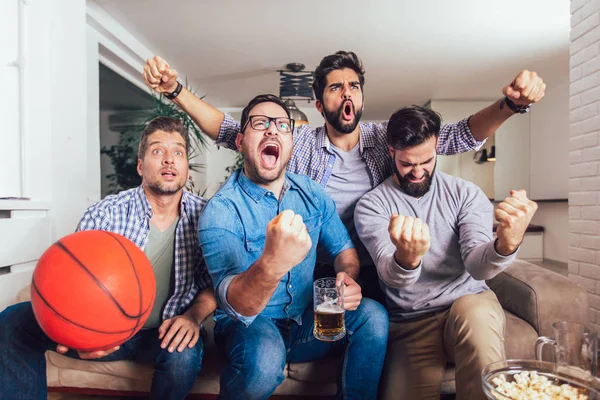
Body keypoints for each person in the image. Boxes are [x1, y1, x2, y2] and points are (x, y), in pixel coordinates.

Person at [143, 51, 545, 301]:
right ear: (320, 103)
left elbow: (455, 135)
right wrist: (176, 89)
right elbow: (233, 131)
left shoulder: (387, 137)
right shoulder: (298, 142)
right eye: (336, 88)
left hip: (385, 266)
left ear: (363, 98)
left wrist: (510, 105)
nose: (347, 93)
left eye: (354, 85)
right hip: (316, 267)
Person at [0, 117, 216, 400]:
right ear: (140, 166)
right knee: (12, 322)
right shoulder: (105, 213)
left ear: (186, 167)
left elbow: (217, 283)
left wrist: (193, 317)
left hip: (164, 332)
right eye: (157, 151)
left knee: (184, 352)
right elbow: (73, 283)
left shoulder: (209, 218)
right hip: (104, 329)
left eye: (178, 152)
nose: (169, 160)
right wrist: (77, 333)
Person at [198, 94, 388, 400]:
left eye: (282, 126)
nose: (272, 130)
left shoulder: (312, 193)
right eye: (260, 123)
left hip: (305, 323)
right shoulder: (220, 211)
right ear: (240, 141)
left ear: (291, 142)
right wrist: (272, 262)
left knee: (373, 316)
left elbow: (344, 252)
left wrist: (348, 277)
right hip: (248, 326)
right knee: (264, 359)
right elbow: (239, 306)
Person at [354, 105, 538, 400]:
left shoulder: (466, 194)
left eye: (426, 161)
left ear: (438, 145)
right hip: (411, 320)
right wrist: (408, 258)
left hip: (467, 303)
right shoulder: (372, 205)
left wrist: (507, 244)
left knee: (476, 320)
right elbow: (392, 277)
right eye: (406, 163)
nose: (416, 172)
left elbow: (478, 267)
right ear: (391, 151)